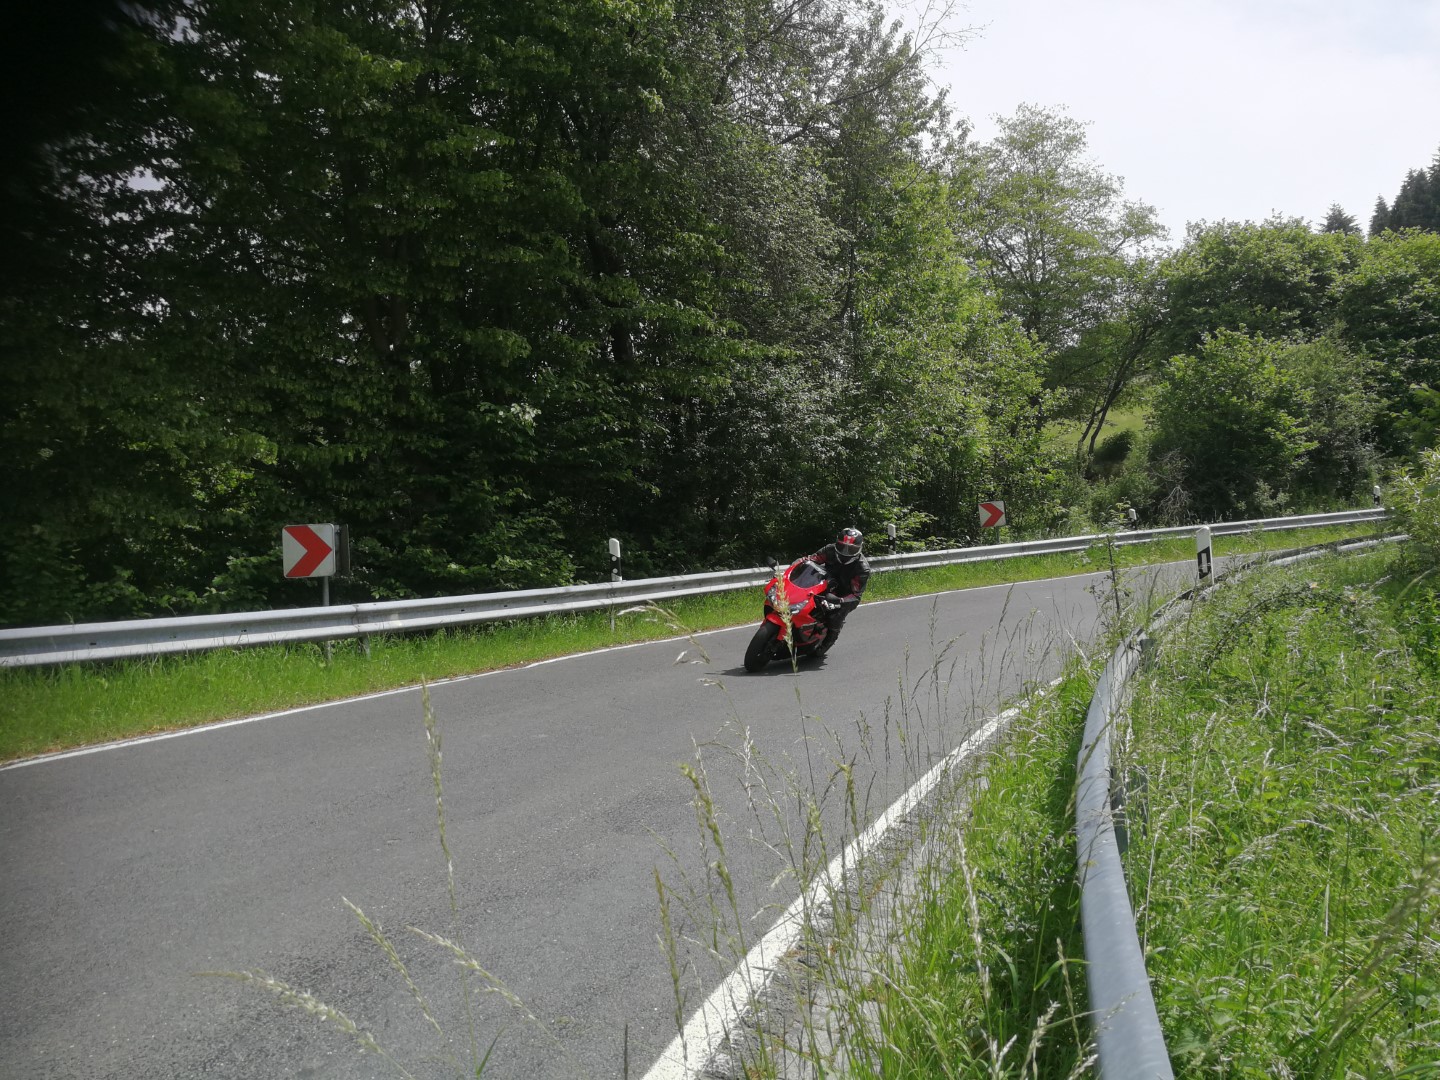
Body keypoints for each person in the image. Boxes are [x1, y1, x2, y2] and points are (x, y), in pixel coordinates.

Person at [806, 527, 870, 648]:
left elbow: (856, 594)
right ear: (837, 543)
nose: (845, 552)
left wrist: (840, 600)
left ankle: (828, 641)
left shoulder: (862, 568)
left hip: (844, 594)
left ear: (859, 548)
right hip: (824, 583)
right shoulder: (829, 549)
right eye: (842, 547)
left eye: (851, 549)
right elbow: (810, 560)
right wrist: (791, 570)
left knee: (835, 617)